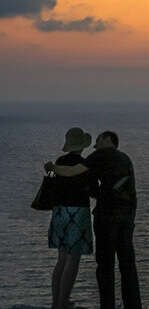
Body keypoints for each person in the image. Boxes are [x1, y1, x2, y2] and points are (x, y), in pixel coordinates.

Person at [45, 131, 141, 309]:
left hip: (104, 214)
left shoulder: (98, 155)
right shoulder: (125, 159)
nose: (95, 145)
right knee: (127, 263)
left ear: (108, 139)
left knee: (104, 265)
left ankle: (104, 306)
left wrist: (53, 168)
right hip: (127, 214)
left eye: (97, 141)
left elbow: (74, 172)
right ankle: (133, 306)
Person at [48, 128, 96, 309]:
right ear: (82, 146)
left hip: (59, 211)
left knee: (61, 259)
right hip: (77, 212)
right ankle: (63, 303)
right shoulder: (84, 164)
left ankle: (56, 302)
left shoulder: (60, 162)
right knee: (73, 259)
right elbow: (92, 190)